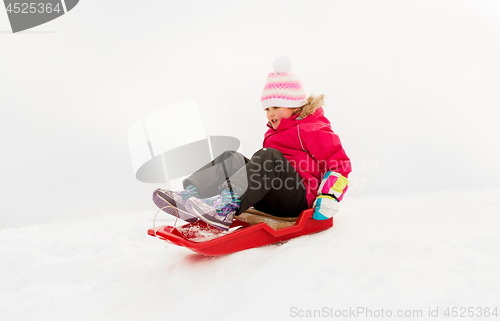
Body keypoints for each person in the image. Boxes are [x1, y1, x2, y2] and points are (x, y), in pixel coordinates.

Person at [153, 56, 351, 230]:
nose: (270, 113)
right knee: (232, 158)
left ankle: (225, 206)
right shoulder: (274, 132)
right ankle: (191, 195)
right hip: (273, 196)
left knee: (268, 156)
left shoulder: (312, 127)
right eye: (266, 108)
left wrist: (329, 197)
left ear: (293, 105)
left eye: (276, 106)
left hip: (298, 199)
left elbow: (339, 164)